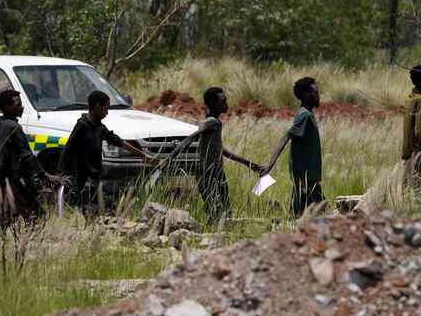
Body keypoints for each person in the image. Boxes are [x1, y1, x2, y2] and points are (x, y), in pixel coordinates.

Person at [163, 87, 263, 222]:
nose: (226, 104)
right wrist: (169, 158)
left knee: (223, 211)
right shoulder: (211, 122)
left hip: (217, 172)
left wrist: (248, 163)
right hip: (208, 173)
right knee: (216, 211)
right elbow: (190, 138)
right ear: (212, 103)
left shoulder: (215, 122)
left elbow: (220, 150)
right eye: (223, 101)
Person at [59, 90, 156, 216]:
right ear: (98, 107)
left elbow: (118, 141)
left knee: (101, 210)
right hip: (83, 179)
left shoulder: (99, 127)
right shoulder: (82, 126)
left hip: (96, 178)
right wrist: (61, 173)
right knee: (89, 211)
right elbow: (68, 150)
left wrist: (143, 156)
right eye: (106, 108)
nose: (107, 112)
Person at [0, 89, 60, 225]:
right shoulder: (14, 127)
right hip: (8, 182)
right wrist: (45, 175)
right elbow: (27, 155)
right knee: (36, 215)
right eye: (18, 104)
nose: (21, 107)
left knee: (5, 218)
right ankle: (26, 244)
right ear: (7, 107)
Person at [263, 77, 323, 218]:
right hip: (305, 180)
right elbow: (286, 137)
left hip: (309, 179)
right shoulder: (304, 116)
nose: (318, 95)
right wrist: (269, 165)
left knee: (307, 215)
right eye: (315, 92)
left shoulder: (307, 114)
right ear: (305, 95)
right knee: (303, 217)